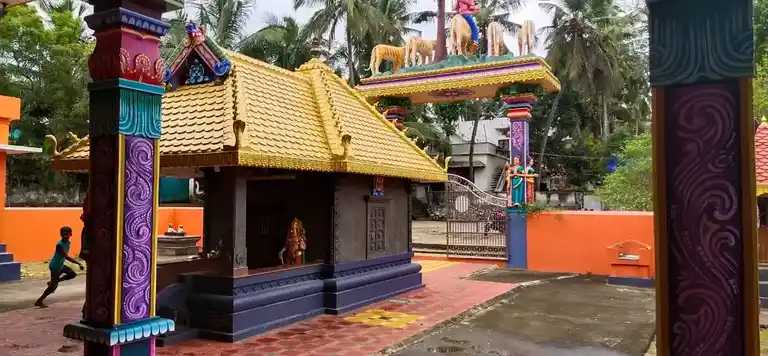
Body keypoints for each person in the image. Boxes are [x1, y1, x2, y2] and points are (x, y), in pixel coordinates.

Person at [35, 226, 84, 308]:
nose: (65, 235)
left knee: (72, 274)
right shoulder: (59, 245)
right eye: (63, 234)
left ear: (70, 234)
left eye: (67, 233)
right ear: (60, 234)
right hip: (55, 266)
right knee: (53, 287)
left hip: (60, 265)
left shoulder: (68, 242)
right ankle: (39, 301)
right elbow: (66, 256)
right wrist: (78, 263)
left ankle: (54, 281)